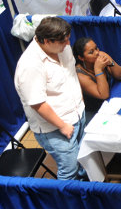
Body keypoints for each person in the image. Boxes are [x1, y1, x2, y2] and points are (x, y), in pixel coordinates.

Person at [14, 17, 87, 180]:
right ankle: (70, 203)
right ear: (47, 41)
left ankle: (84, 193)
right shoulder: (30, 65)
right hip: (56, 128)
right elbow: (38, 104)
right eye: (64, 41)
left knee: (82, 159)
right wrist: (62, 126)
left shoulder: (62, 47)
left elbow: (72, 76)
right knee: (70, 169)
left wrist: (80, 104)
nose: (68, 44)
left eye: (68, 38)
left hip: (77, 114)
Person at [73, 37, 121, 122]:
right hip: (95, 111)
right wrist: (98, 70)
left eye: (96, 48)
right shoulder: (80, 75)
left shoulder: (101, 55)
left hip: (111, 101)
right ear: (81, 58)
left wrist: (111, 63)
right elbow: (103, 95)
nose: (97, 53)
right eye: (91, 52)